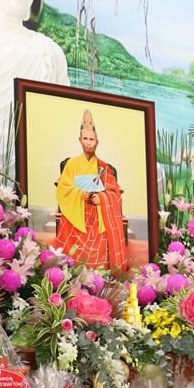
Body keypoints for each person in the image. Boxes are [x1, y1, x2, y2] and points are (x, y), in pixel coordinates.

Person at [53, 109, 127, 269]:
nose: (88, 142)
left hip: (98, 214)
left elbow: (114, 192)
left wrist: (102, 198)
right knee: (70, 255)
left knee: (99, 258)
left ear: (97, 142)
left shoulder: (104, 167)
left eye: (91, 139)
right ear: (80, 140)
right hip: (76, 212)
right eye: (85, 138)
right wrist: (79, 193)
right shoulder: (71, 164)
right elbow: (63, 187)